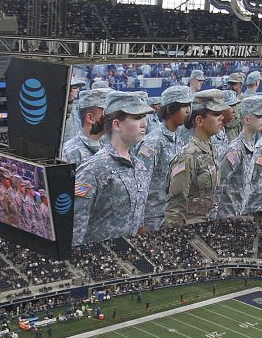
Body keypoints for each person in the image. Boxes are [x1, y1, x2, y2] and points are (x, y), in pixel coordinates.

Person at [71, 91, 153, 244]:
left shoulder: (140, 167)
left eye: (145, 117)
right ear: (116, 124)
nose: (144, 124)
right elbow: (75, 229)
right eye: (137, 118)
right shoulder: (93, 170)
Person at [163, 89, 229, 228]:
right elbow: (175, 208)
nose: (222, 118)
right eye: (216, 114)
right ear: (199, 120)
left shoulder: (210, 149)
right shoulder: (187, 156)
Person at [137, 84, 194, 231]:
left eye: (189, 105)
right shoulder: (153, 142)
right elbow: (140, 184)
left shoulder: (179, 139)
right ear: (170, 109)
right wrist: (140, 223)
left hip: (172, 214)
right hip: (153, 217)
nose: (188, 110)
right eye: (183, 106)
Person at [214, 94, 262, 219]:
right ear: (247, 120)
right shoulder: (235, 150)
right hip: (226, 214)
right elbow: (218, 183)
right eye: (260, 116)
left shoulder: (250, 146)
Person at [60, 87, 110, 167]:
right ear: (90, 118)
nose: (113, 117)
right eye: (108, 113)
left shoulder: (108, 146)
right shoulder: (68, 154)